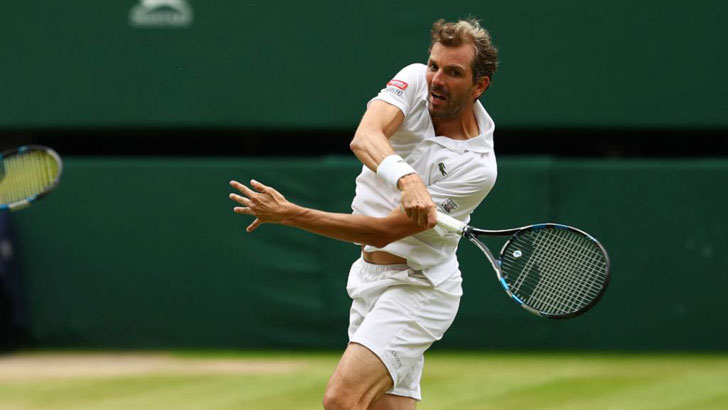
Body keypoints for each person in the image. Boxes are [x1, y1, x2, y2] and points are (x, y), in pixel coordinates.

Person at [229, 17, 499, 410]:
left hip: (420, 288)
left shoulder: (477, 168)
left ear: (480, 86)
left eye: (453, 73)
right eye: (434, 65)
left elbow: (382, 232)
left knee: (342, 400)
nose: (436, 80)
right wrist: (407, 179)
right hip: (368, 279)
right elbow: (366, 136)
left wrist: (290, 214)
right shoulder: (413, 81)